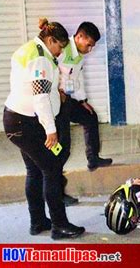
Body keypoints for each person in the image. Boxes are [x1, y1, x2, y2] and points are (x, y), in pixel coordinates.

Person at [3, 18, 85, 239]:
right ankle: (59, 226)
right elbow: (40, 97)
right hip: (26, 123)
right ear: (50, 40)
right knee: (51, 170)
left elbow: (31, 86)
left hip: (17, 119)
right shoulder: (41, 59)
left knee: (35, 171)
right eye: (59, 47)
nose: (60, 52)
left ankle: (38, 221)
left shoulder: (28, 49)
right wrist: (51, 130)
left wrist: (54, 92)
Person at [58, 22, 113, 174]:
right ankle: (53, 177)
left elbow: (78, 78)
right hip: (56, 102)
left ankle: (93, 159)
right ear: (79, 36)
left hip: (67, 100)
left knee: (90, 117)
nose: (90, 50)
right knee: (63, 146)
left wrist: (83, 101)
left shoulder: (79, 56)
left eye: (92, 46)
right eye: (89, 45)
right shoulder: (61, 48)